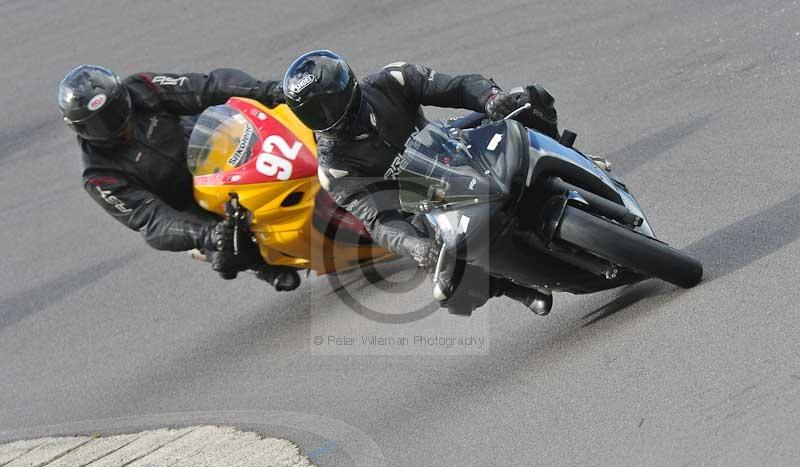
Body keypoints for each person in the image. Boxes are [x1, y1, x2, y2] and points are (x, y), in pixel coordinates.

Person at [283, 51, 559, 314]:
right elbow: (378, 220)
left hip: (453, 146)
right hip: (424, 205)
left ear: (348, 86)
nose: (330, 116)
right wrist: (414, 245)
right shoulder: (335, 168)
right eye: (317, 114)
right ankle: (516, 288)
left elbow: (458, 86)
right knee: (451, 290)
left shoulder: (392, 80)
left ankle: (567, 159)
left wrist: (490, 98)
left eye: (331, 104)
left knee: (526, 100)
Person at [58, 64, 299, 290]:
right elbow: (151, 221)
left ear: (123, 97)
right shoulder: (99, 176)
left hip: (213, 145)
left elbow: (205, 87)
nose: (112, 124)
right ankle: (264, 266)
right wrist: (208, 234)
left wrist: (268, 90)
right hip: (189, 201)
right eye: (98, 124)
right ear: (79, 129)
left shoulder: (143, 88)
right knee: (228, 250)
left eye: (113, 111)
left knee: (282, 120)